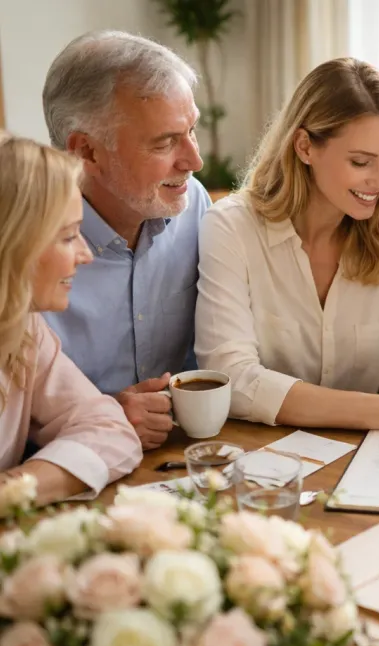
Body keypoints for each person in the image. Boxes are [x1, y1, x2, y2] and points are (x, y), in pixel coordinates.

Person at [195, 58, 379, 433]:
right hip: (261, 459)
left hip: (368, 462)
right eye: (361, 161)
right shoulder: (231, 229)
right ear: (304, 146)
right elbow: (232, 379)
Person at [41, 30, 210, 450]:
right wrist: (101, 416)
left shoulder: (193, 204)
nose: (194, 160)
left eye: (192, 130)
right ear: (87, 153)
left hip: (180, 456)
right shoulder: (25, 245)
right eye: (166, 141)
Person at [0, 134, 141, 504]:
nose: (85, 255)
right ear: (13, 244)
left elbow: (111, 431)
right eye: (67, 237)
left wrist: (12, 490)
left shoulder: (24, 332)